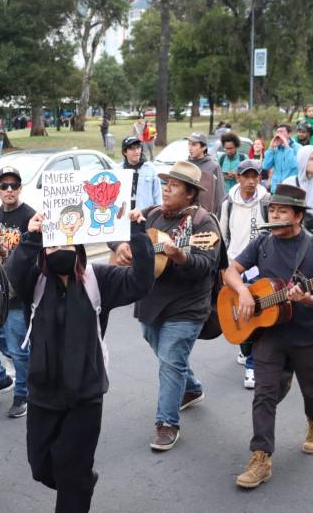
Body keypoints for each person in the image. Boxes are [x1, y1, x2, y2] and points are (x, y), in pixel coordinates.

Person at [6, 210, 155, 513]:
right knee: (41, 467)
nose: (59, 250)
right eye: (51, 246)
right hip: (43, 393)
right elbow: (14, 272)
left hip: (85, 394)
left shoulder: (99, 279)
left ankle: (77, 483)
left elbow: (141, 282)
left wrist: (138, 235)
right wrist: (32, 236)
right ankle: (82, 481)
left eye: (66, 244)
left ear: (79, 247)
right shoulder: (34, 282)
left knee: (72, 474)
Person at [222, 184, 313, 489]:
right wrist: (244, 292)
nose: (274, 214)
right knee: (263, 393)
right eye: (272, 209)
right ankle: (261, 457)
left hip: (306, 333)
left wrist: (307, 299)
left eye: (282, 210)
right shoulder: (262, 243)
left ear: (298, 216)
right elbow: (230, 271)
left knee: (310, 388)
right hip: (268, 332)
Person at [114, 160, 223, 451]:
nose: (166, 190)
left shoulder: (203, 223)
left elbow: (207, 266)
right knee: (163, 352)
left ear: (190, 193)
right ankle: (191, 388)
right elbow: (123, 237)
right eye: (165, 184)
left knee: (171, 358)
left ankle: (167, 424)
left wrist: (181, 256)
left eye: (174, 186)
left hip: (187, 304)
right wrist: (121, 247)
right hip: (151, 301)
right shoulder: (151, 216)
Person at [0, 167, 35, 417]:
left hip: (17, 293)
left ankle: (23, 393)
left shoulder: (30, 216)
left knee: (19, 349)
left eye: (14, 185)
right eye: (4, 186)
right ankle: (1, 378)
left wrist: (9, 254)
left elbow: (34, 256)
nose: (9, 190)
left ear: (20, 188)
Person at [220, 158, 270, 390]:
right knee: (240, 313)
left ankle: (252, 366)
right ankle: (244, 349)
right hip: (235, 267)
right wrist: (222, 265)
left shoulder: (267, 202)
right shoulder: (228, 203)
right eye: (246, 176)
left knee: (256, 316)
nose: (251, 181)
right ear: (238, 178)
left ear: (260, 178)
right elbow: (222, 236)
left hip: (260, 269)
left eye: (255, 176)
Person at [186, 132, 225, 216]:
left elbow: (220, 195)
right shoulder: (185, 165)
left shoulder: (213, 167)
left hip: (205, 216)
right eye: (189, 144)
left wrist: (216, 217)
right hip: (185, 214)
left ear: (203, 147)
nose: (190, 148)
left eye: (194, 145)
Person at [120, 136, 162, 210]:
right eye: (132, 149)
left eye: (138, 147)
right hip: (125, 217)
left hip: (145, 216)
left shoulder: (150, 168)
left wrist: (157, 215)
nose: (136, 151)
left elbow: (158, 196)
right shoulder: (119, 170)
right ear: (124, 152)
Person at [263, 125, 299, 193]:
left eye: (282, 131)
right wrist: (270, 148)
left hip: (291, 188)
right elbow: (266, 166)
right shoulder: (276, 149)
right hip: (275, 188)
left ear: (289, 134)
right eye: (277, 132)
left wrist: (287, 147)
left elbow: (293, 165)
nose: (279, 134)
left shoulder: (297, 148)